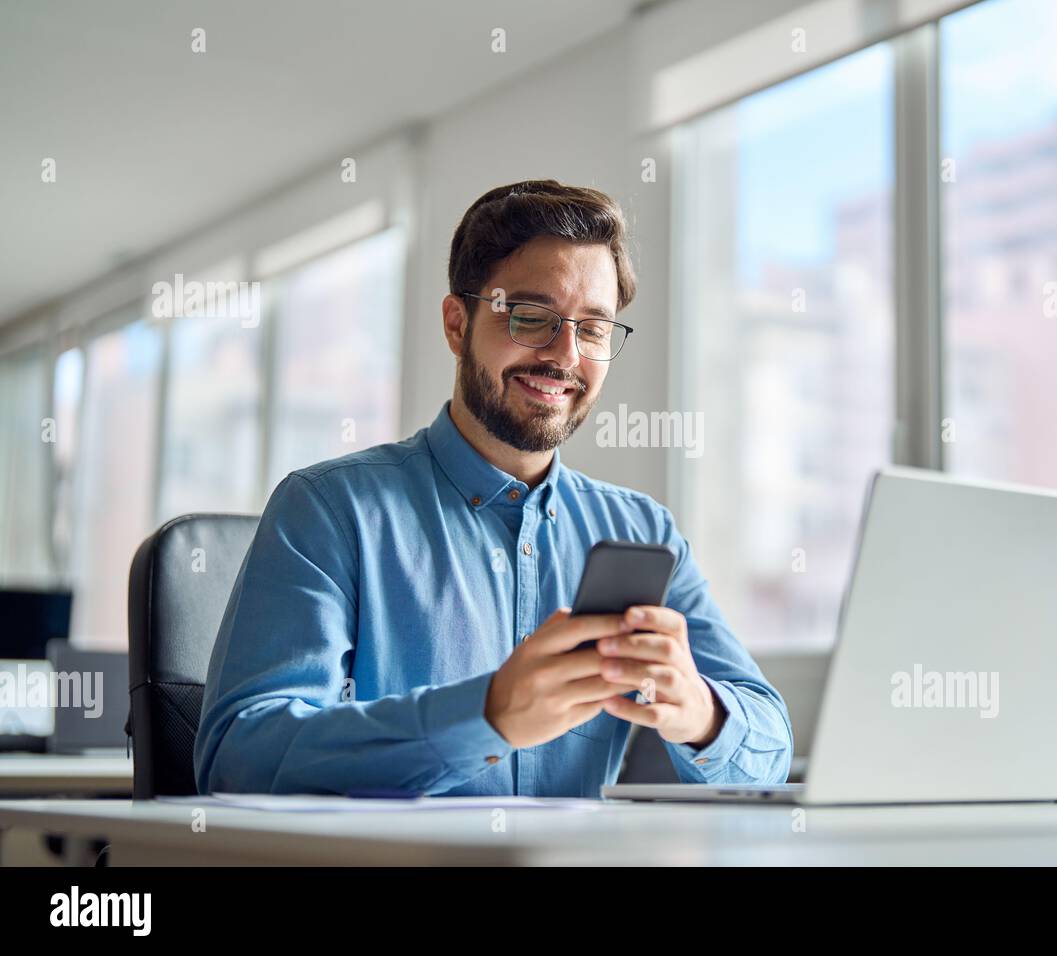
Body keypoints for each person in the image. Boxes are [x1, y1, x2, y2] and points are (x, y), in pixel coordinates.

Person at [194, 179, 793, 796]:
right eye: (533, 317)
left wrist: (700, 713)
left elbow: (770, 747)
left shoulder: (644, 533)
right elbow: (240, 753)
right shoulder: (328, 510)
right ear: (458, 324)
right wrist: (485, 717)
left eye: (592, 330)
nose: (565, 355)